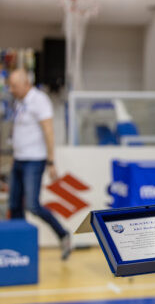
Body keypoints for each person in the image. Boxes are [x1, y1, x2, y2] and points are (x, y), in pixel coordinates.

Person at [8, 69, 71, 260]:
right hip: (19, 160)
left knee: (33, 206)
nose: (11, 90)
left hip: (34, 161)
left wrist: (51, 161)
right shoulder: (19, 102)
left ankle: (63, 234)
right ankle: (20, 248)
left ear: (26, 84)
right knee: (14, 205)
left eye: (14, 86)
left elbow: (49, 130)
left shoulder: (40, 100)